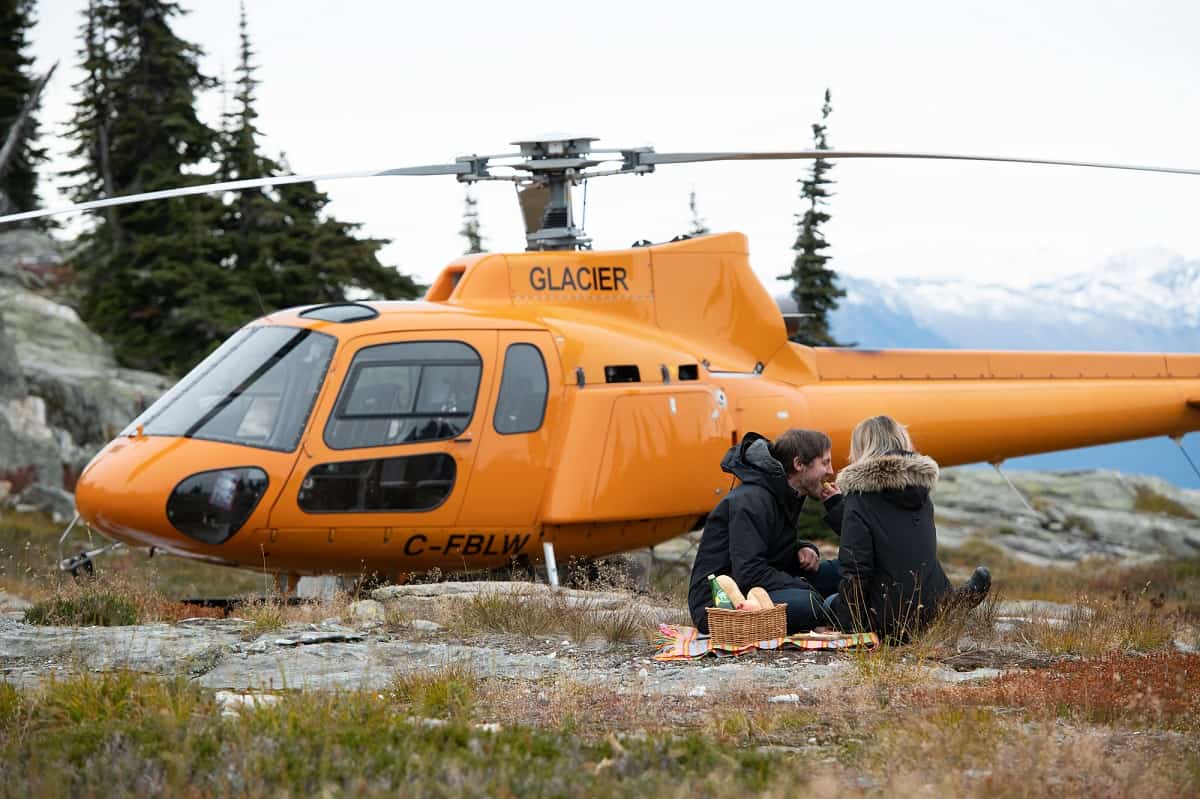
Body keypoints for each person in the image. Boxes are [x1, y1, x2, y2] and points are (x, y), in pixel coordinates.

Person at [827, 415, 991, 642]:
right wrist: (837, 506)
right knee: (917, 554)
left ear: (861, 447)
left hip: (887, 620)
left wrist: (852, 629)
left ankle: (944, 604)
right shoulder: (920, 492)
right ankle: (946, 604)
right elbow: (890, 538)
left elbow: (856, 568)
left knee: (829, 603)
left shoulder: (860, 498)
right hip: (927, 608)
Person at [687, 429, 845, 635]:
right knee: (809, 604)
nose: (831, 471)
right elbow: (749, 573)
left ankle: (834, 608)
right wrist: (803, 585)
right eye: (824, 463)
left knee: (840, 571)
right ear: (799, 465)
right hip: (722, 603)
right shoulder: (751, 501)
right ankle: (831, 611)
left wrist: (802, 547)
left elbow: (767, 542)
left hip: (762, 585)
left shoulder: (788, 494)